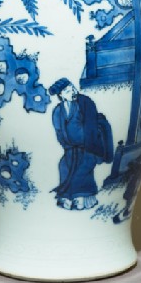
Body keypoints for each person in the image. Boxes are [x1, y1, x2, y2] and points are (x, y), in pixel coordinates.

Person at [49, 78, 112, 211]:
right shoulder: (57, 111)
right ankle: (67, 198)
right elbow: (59, 132)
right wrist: (67, 146)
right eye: (67, 90)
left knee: (81, 171)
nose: (72, 91)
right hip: (71, 149)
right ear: (61, 95)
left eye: (72, 87)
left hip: (88, 147)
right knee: (64, 167)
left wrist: (90, 144)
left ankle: (83, 200)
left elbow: (91, 126)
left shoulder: (84, 103)